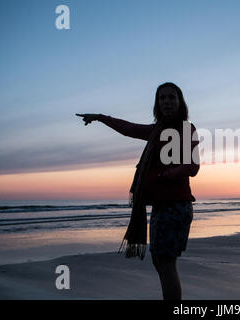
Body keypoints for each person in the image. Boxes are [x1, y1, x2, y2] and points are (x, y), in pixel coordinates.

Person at [76, 82, 200, 300]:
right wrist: (100, 117)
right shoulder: (157, 131)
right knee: (162, 262)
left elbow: (193, 167)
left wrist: (160, 177)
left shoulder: (184, 129)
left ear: (180, 102)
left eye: (172, 97)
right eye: (162, 98)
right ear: (157, 104)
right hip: (164, 207)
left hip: (175, 207)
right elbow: (129, 128)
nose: (167, 102)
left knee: (165, 263)